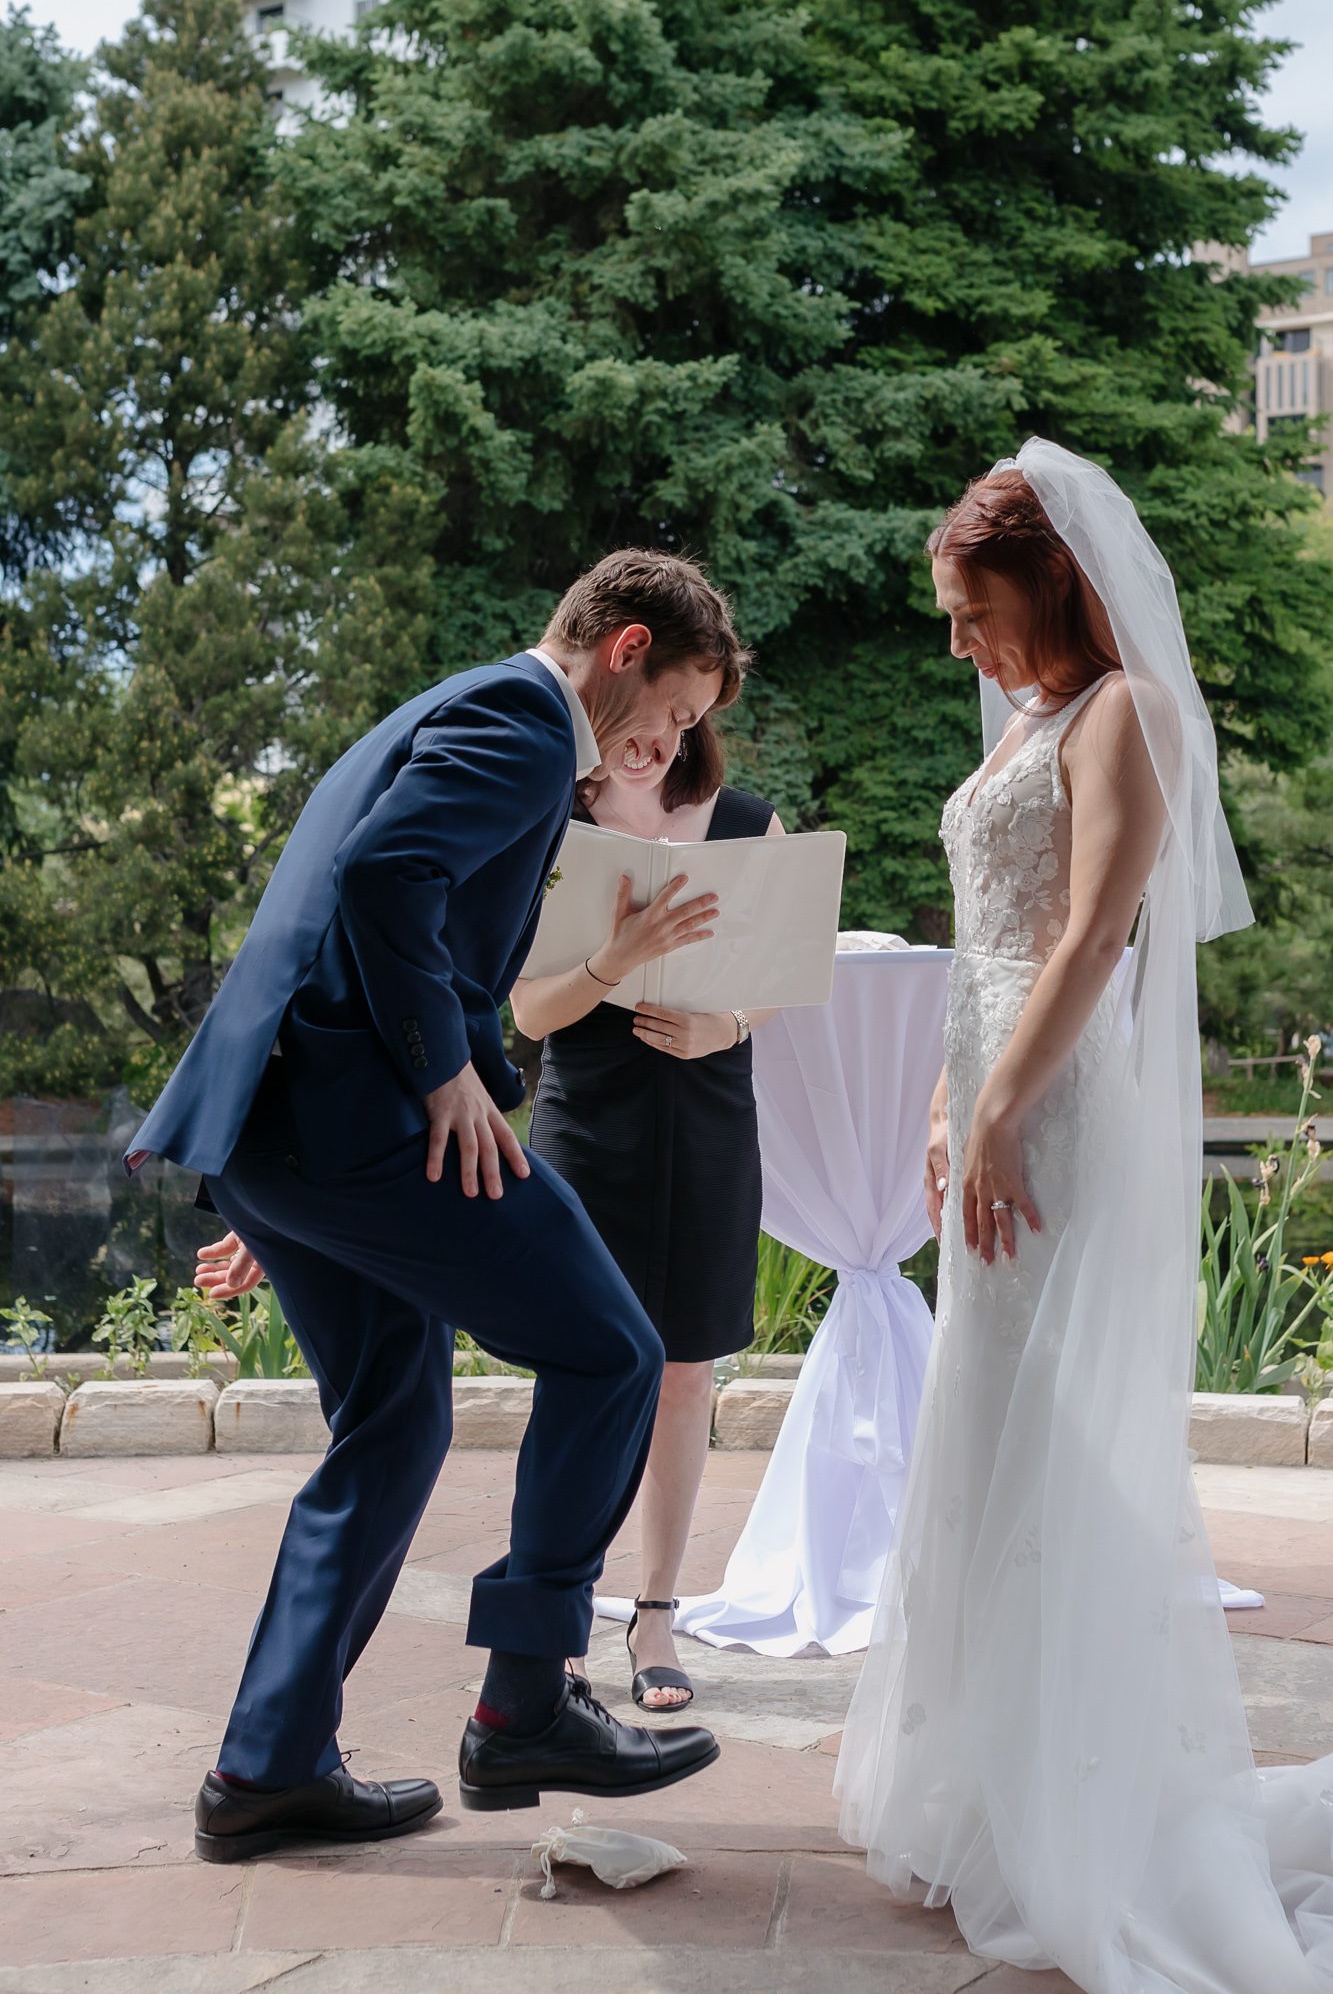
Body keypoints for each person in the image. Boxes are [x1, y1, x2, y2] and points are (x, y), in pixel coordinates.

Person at [125, 550, 743, 1861]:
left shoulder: (456, 705)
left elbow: (353, 905)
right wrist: (442, 1070)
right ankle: (524, 1699)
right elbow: (382, 881)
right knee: (616, 1350)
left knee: (394, 1426)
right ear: (625, 648)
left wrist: (286, 1181)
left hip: (298, 1134)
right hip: (363, 1128)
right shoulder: (523, 723)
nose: (669, 742)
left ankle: (265, 1771)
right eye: (678, 713)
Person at [836, 441, 1333, 1990]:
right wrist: (940, 1104)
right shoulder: (1027, 723)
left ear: (1049, 581)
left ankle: (1089, 1810)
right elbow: (983, 935)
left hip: (1055, 1116)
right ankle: (995, 1789)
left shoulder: (1126, 713)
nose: (957, 638)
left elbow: (1098, 929)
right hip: (991, 1097)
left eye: (970, 606)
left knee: (1056, 1443)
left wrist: (993, 1111)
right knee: (988, 1434)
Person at [511, 708, 783, 1710]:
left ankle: (656, 1612)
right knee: (583, 1368)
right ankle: (557, 1612)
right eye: (648, 714)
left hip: (708, 1107)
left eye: (682, 718)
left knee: (683, 1372)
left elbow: (790, 968)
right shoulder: (550, 821)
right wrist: (614, 960)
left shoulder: (750, 821)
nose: (662, 736)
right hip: (588, 1116)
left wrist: (729, 1020)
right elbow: (529, 1013)